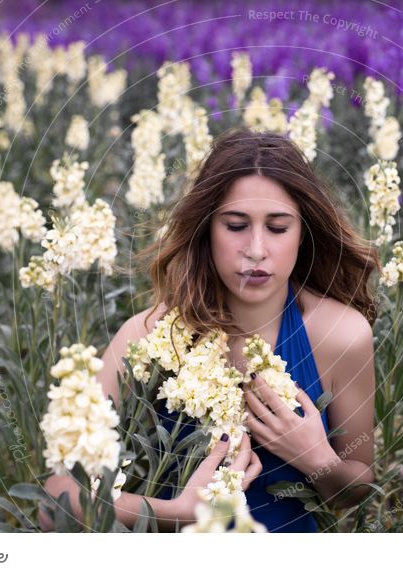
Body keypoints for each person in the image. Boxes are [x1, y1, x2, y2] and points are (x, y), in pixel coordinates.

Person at [41, 128, 380, 532]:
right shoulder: (148, 337)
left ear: (304, 232)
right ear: (206, 230)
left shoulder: (342, 335)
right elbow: (55, 499)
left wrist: (316, 459)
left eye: (277, 227)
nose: (256, 249)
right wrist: (176, 513)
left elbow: (357, 487)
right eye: (236, 225)